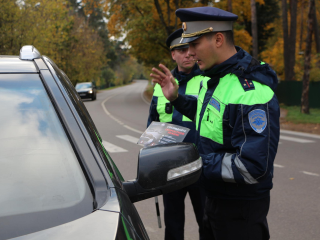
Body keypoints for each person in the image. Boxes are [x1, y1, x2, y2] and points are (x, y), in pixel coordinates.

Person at [150, 7, 280, 240]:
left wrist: (193, 162)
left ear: (218, 39)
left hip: (239, 211)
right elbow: (208, 114)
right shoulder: (215, 79)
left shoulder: (249, 91)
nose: (189, 52)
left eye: (195, 44)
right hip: (214, 199)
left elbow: (252, 166)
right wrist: (176, 99)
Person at [147, 28, 207, 240]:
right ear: (173, 54)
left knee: (207, 222)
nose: (189, 53)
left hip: (202, 165)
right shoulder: (160, 85)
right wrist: (152, 162)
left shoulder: (208, 80)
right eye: (182, 49)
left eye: (192, 48)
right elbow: (152, 125)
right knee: (173, 224)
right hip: (171, 166)